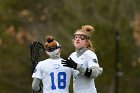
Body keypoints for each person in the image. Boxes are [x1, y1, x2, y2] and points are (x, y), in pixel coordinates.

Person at [62, 25, 103, 93]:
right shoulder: (72, 56)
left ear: (86, 42)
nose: (78, 39)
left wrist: (77, 66)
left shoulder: (90, 54)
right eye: (76, 37)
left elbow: (95, 73)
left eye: (81, 37)